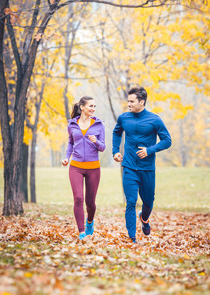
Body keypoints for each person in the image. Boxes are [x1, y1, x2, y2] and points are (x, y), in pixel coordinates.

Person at [112, 86, 171, 243]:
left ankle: (144, 218)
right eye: (128, 101)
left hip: (147, 169)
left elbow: (167, 140)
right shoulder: (124, 118)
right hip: (129, 167)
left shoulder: (154, 120)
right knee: (131, 201)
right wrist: (115, 151)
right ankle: (132, 237)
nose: (129, 104)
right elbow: (117, 132)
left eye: (132, 101)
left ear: (142, 102)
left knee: (148, 202)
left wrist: (150, 150)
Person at [62, 96, 106, 240]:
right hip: (76, 166)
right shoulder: (72, 125)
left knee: (90, 203)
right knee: (78, 198)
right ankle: (81, 232)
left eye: (94, 106)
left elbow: (103, 147)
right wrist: (66, 157)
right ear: (82, 107)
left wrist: (97, 141)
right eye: (90, 106)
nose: (93, 109)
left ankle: (89, 222)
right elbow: (70, 143)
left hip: (93, 167)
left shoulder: (99, 125)